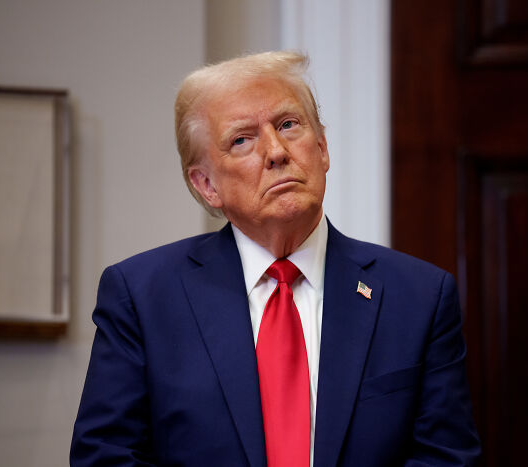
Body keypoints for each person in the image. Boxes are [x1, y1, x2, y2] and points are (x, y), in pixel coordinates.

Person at [70, 51, 480, 466]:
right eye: (242, 139)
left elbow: (446, 458)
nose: (277, 151)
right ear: (206, 184)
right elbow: (105, 456)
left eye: (288, 125)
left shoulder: (419, 297)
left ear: (321, 148)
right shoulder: (142, 297)